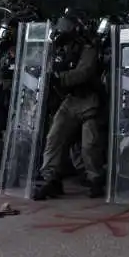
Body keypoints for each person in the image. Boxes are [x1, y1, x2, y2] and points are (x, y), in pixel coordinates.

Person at [33, 14, 104, 200]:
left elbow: (85, 72)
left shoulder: (88, 48)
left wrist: (59, 78)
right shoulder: (60, 48)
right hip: (70, 100)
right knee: (54, 137)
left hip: (89, 100)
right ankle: (51, 179)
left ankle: (96, 179)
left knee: (90, 144)